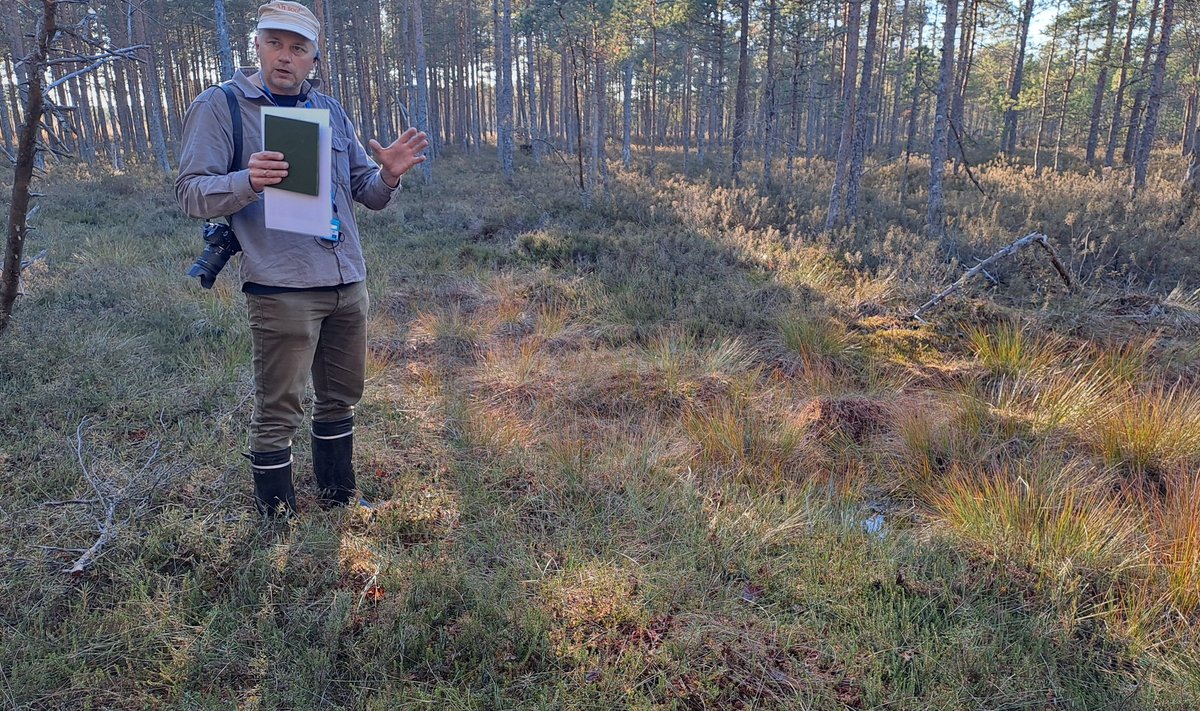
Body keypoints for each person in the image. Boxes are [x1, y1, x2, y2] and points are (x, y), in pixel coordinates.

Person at [175, 0, 428, 516]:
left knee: (341, 398)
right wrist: (248, 180)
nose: (284, 56)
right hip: (282, 285)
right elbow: (190, 193)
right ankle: (279, 521)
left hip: (345, 279)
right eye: (274, 43)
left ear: (314, 58)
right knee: (279, 409)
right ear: (258, 46)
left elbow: (367, 192)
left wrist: (390, 174)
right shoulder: (221, 106)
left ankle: (339, 500)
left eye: (298, 48)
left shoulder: (329, 110)